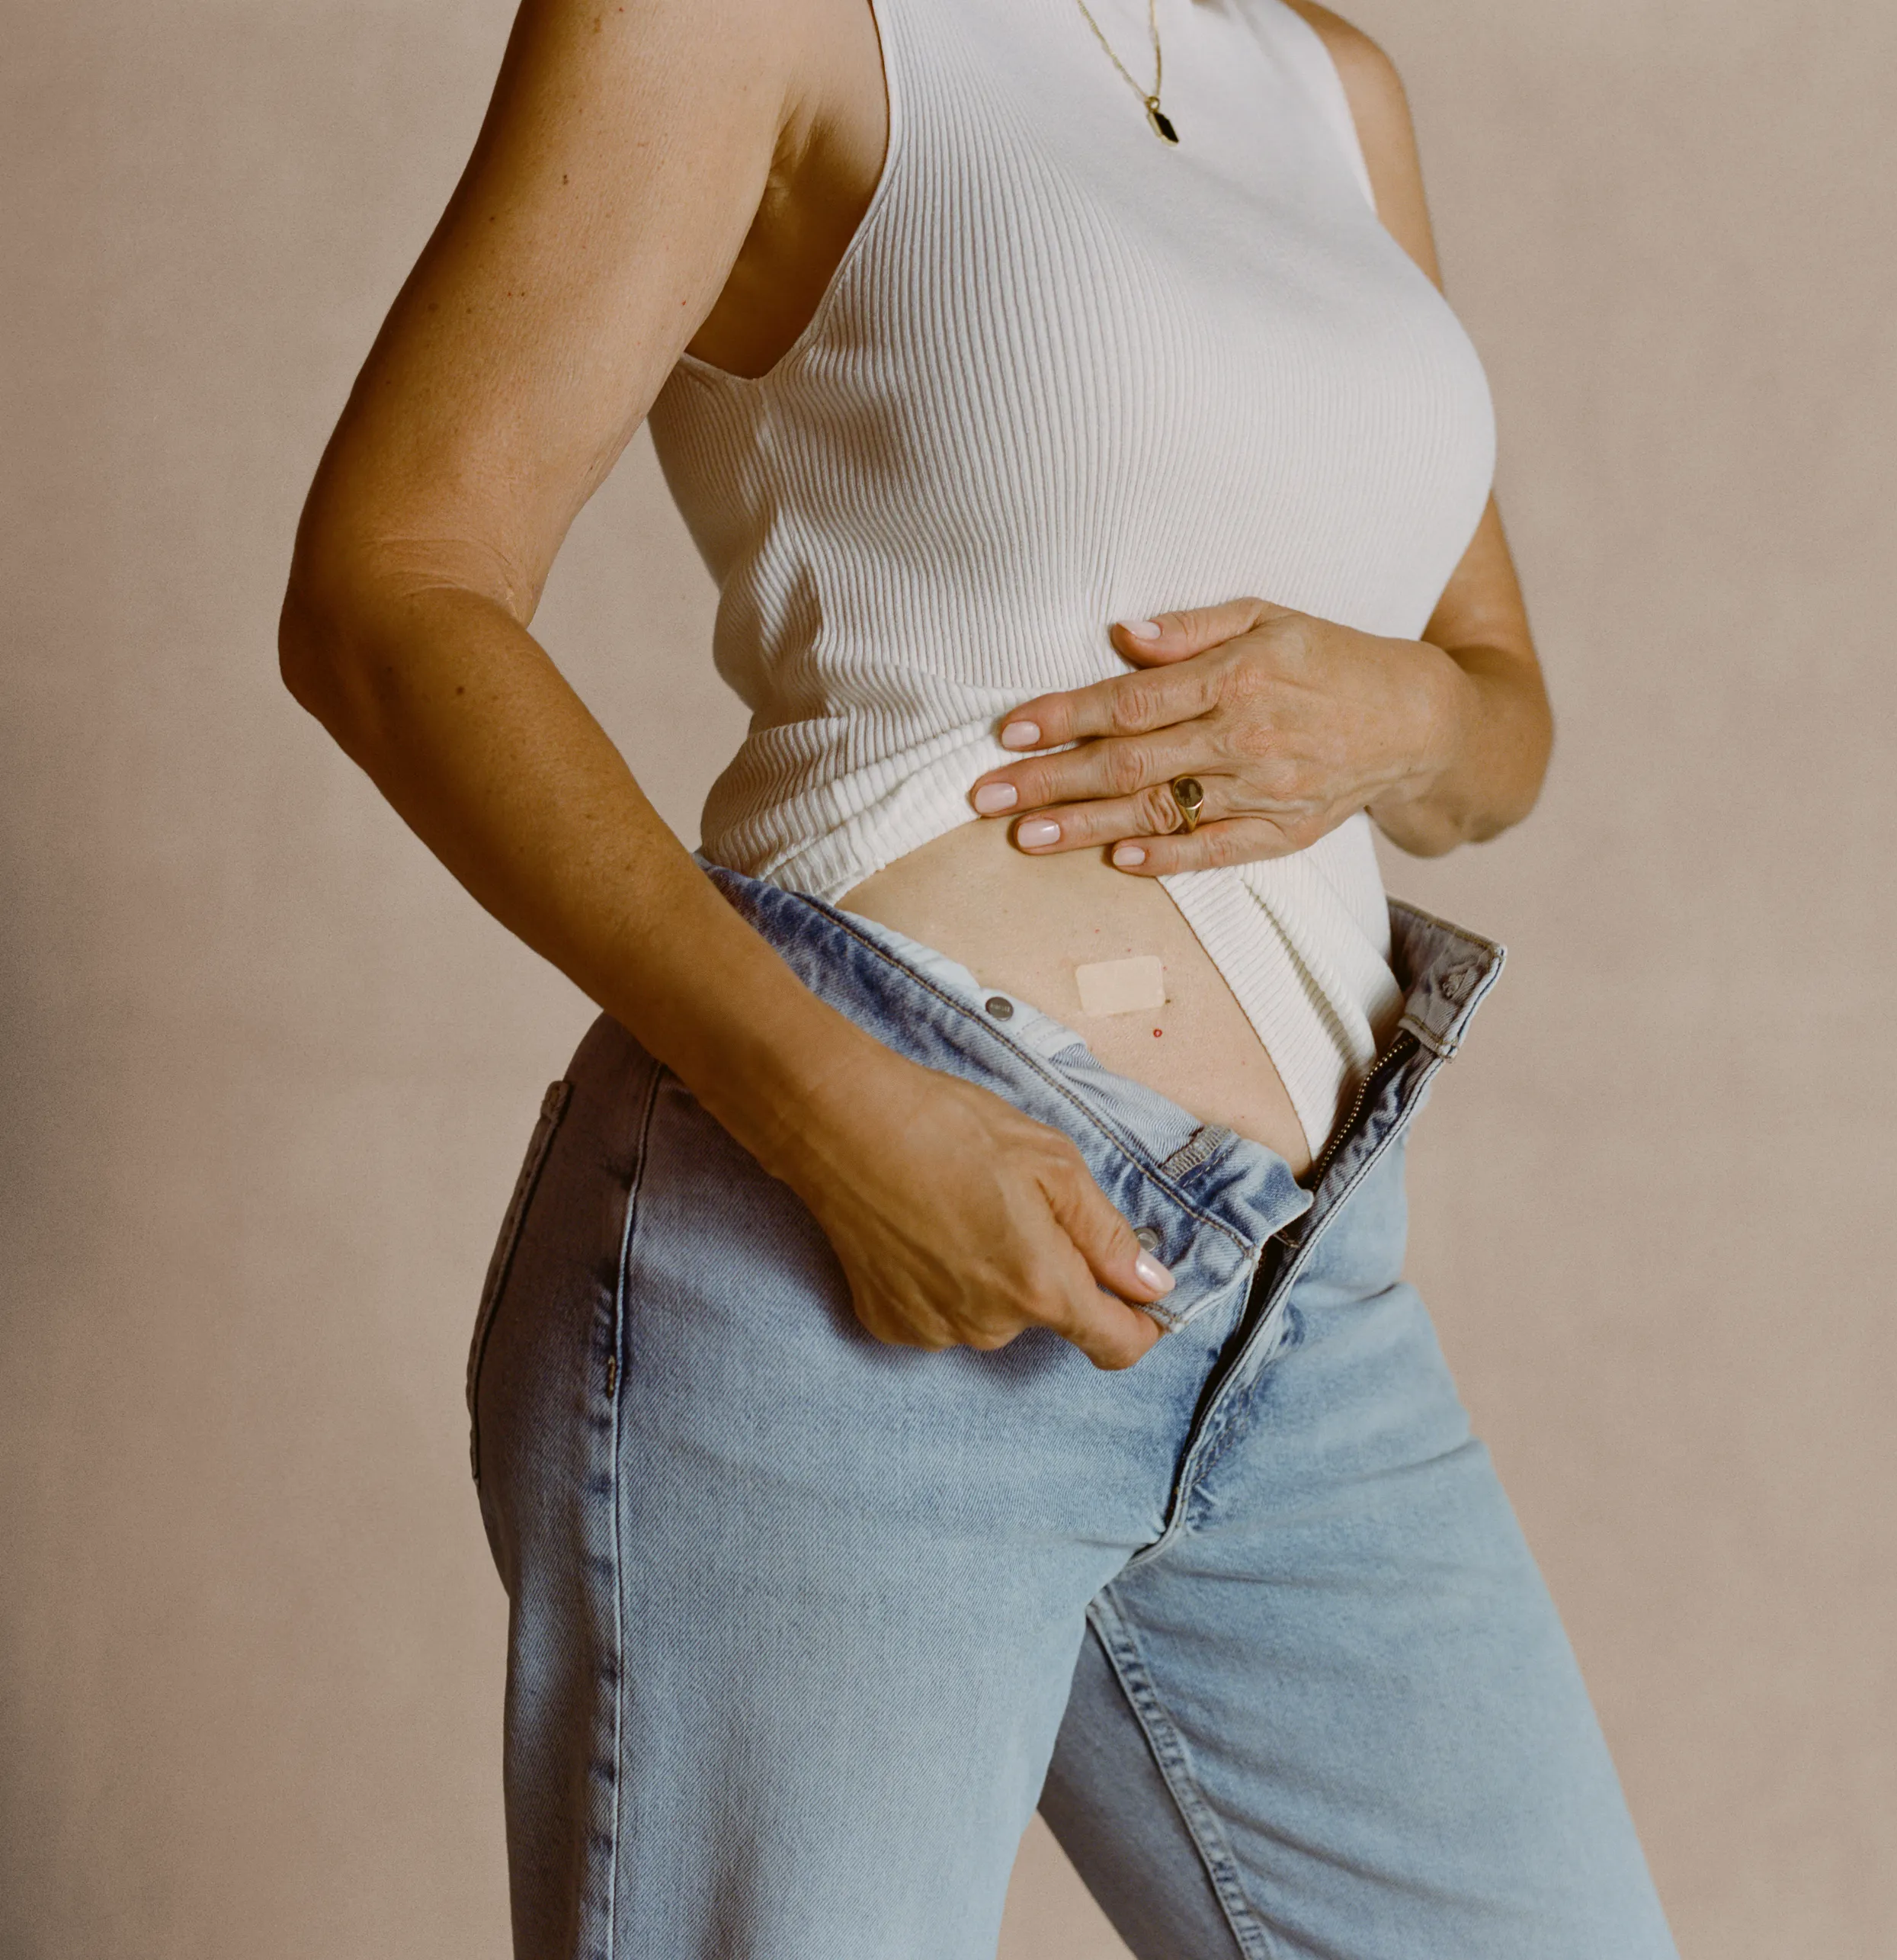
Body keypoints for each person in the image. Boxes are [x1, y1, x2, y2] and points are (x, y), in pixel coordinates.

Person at [277, 0, 1677, 1952]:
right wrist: (833, 1117)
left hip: (1293, 1293)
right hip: (849, 1248)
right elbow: (389, 584)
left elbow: (1495, 724)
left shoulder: (1326, 84)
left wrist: (1404, 715)